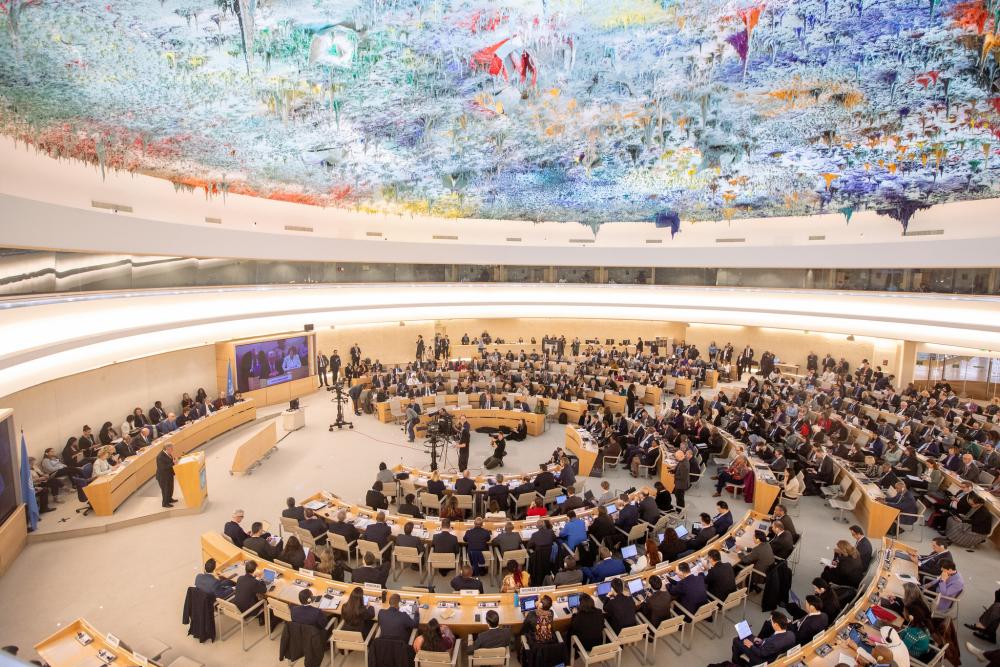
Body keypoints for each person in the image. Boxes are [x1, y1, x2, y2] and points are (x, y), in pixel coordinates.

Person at [730, 611, 797, 663]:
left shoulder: (773, 643)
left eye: (771, 621)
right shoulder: (791, 634)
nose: (770, 622)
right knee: (750, 637)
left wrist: (750, 645)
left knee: (736, 640)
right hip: (770, 652)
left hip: (761, 659)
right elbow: (772, 643)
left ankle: (736, 662)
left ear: (776, 625)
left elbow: (761, 653)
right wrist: (762, 641)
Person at [155, 442, 177, 508]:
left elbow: (170, 461)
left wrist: (174, 460)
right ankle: (165, 503)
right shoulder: (160, 456)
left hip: (169, 474)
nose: (172, 450)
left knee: (170, 488)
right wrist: (173, 463)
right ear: (167, 448)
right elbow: (163, 468)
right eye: (171, 449)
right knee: (165, 490)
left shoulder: (168, 453)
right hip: (163, 477)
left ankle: (169, 499)